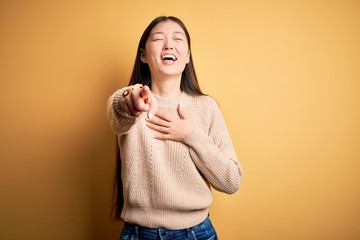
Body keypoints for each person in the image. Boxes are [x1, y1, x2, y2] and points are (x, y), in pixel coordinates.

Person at [107, 16, 242, 240]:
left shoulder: (206, 107)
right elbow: (119, 110)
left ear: (187, 56)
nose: (169, 44)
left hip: (196, 233)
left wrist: (190, 134)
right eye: (159, 39)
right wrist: (129, 102)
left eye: (178, 39)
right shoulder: (135, 98)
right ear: (143, 55)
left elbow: (231, 181)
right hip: (139, 234)